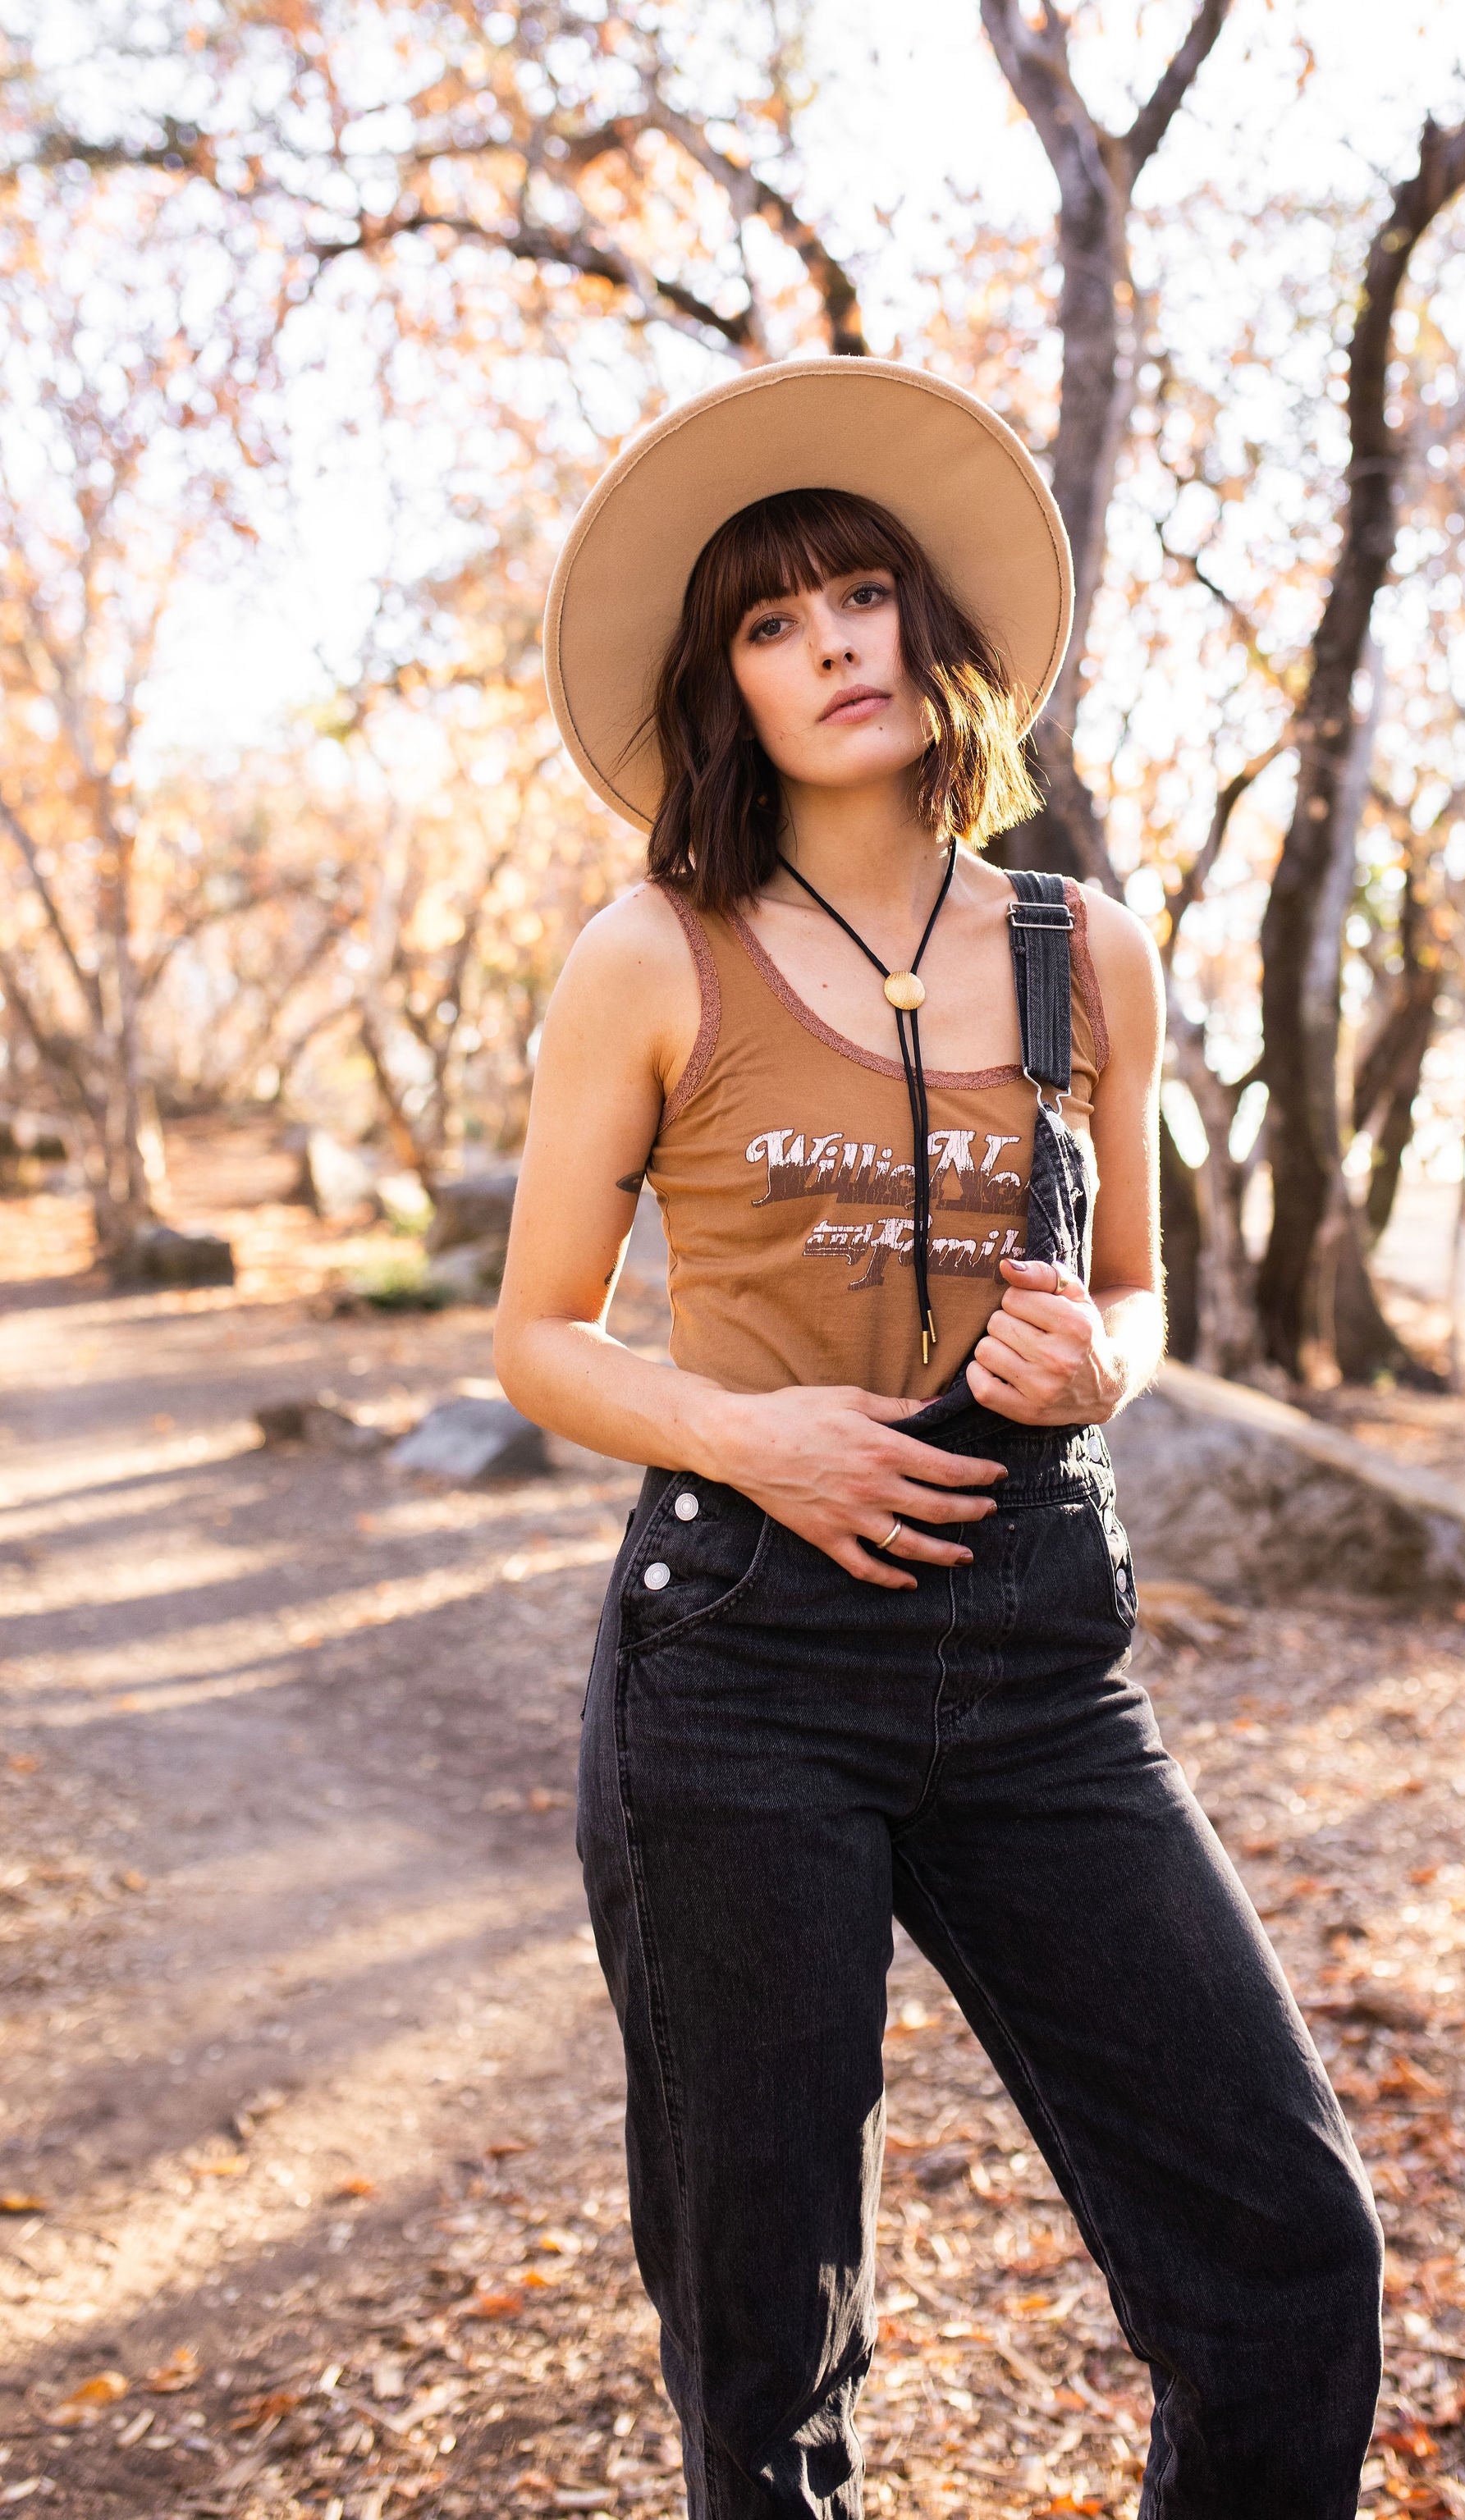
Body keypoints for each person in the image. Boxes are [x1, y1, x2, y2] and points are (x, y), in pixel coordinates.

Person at [496, 360, 1382, 2520]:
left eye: (866, 597)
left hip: (1042, 1669)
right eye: (777, 624)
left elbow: (1153, 1290)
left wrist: (1114, 1369)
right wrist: (748, 1436)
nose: (840, 648)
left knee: (1291, 2260)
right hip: (742, 1674)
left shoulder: (1091, 953)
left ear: (932, 630)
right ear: (731, 687)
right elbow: (532, 1337)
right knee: (769, 2359)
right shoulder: (654, 953)